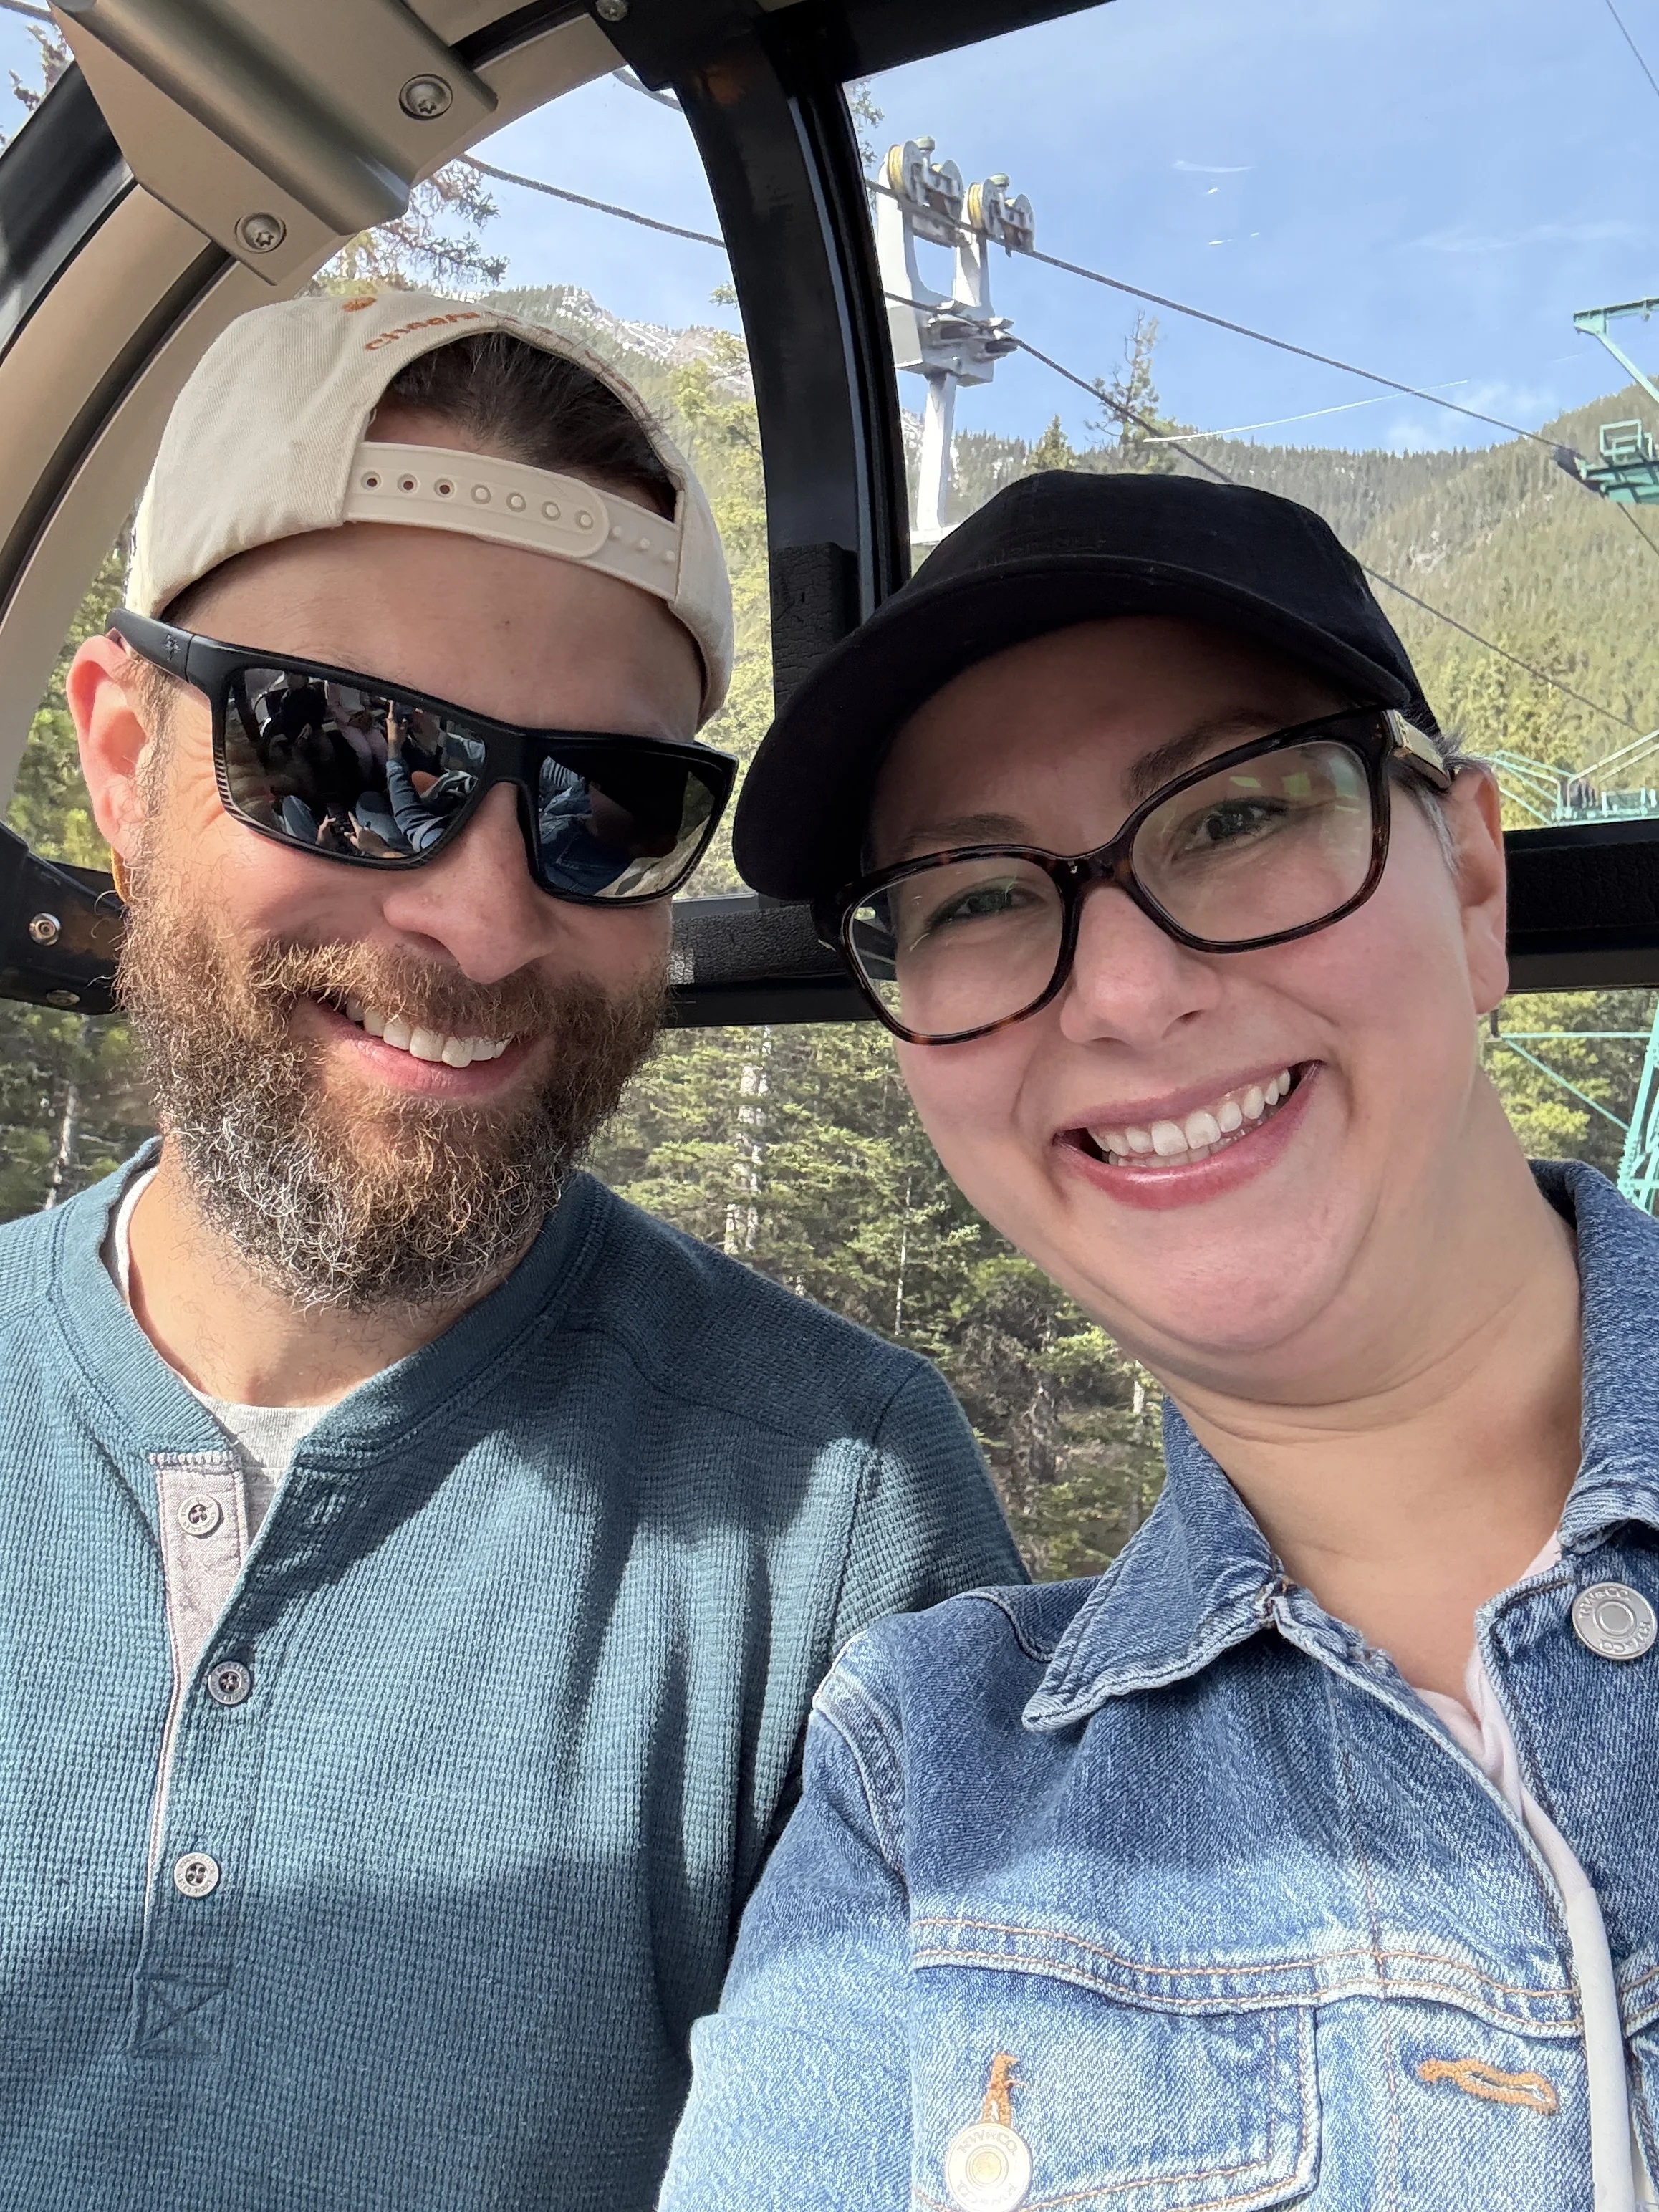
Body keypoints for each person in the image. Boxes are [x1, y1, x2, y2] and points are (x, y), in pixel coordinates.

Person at [0, 289, 1021, 2212]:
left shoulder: (837, 1516)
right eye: (346, 754)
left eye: (601, 809)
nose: (478, 921)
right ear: (122, 762)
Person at [661, 470, 1659, 2212]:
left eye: (1235, 813)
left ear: (1473, 881)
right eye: (972, 897)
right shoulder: (927, 1789)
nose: (1123, 992)